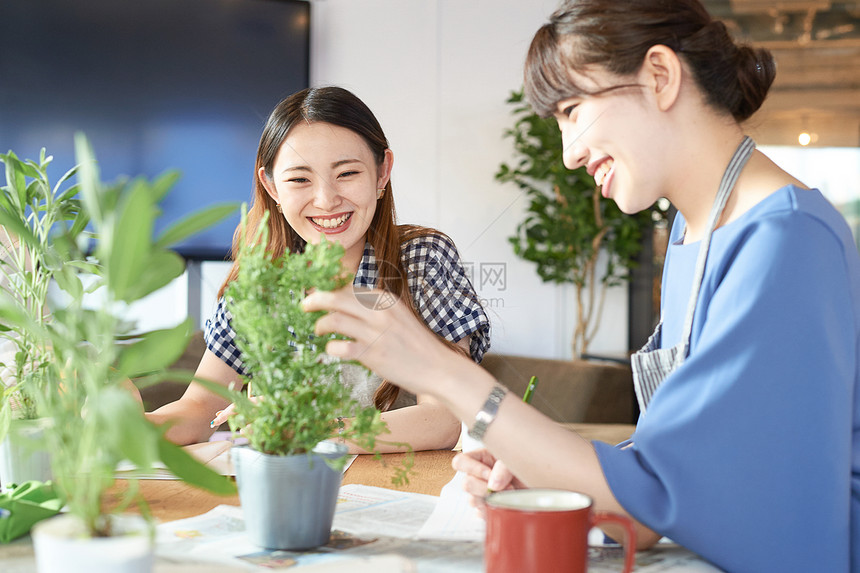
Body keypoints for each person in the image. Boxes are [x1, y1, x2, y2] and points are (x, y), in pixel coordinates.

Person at [302, 1, 860, 571]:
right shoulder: (699, 234)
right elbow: (670, 485)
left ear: (660, 76)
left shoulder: (785, 237)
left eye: (573, 109)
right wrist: (551, 476)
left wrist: (443, 372)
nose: (569, 154)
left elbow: (731, 510)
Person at [147, 86, 490, 453]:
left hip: (398, 491)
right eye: (299, 179)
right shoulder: (260, 278)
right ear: (272, 186)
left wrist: (312, 428)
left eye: (346, 174)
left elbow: (445, 418)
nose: (326, 200)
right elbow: (199, 408)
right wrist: (124, 424)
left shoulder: (423, 258)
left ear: (381, 172)